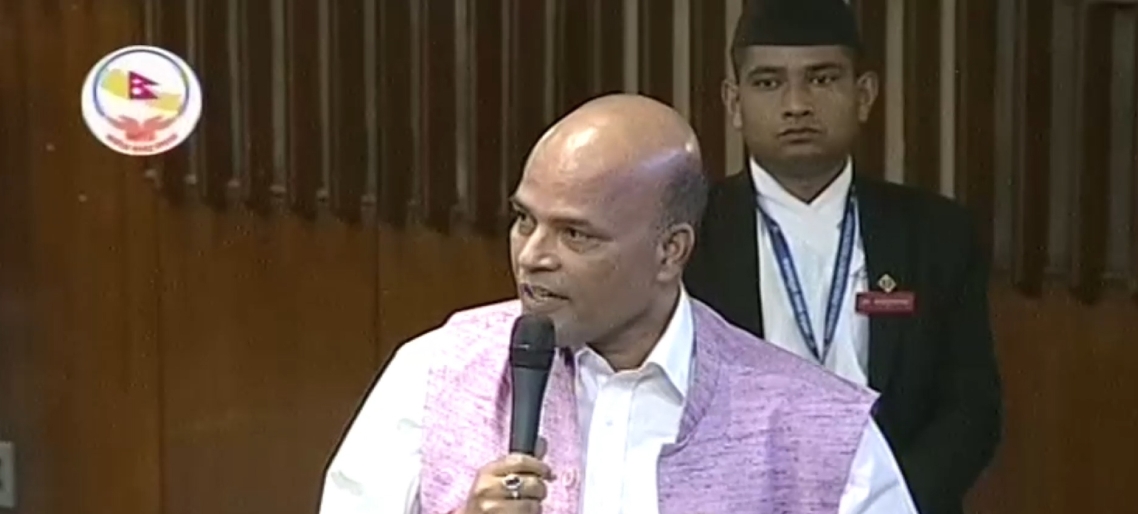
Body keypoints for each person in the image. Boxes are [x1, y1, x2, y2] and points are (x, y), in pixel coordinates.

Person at [317, 93, 918, 513]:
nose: (533, 256)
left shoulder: (817, 433)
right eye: (524, 220)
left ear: (670, 251)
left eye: (576, 234)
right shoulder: (433, 375)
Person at [683, 1, 1002, 513]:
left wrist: (887, 504)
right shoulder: (689, 237)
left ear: (864, 94)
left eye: (822, 78)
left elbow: (971, 409)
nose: (796, 105)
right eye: (768, 82)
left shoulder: (936, 234)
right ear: (734, 102)